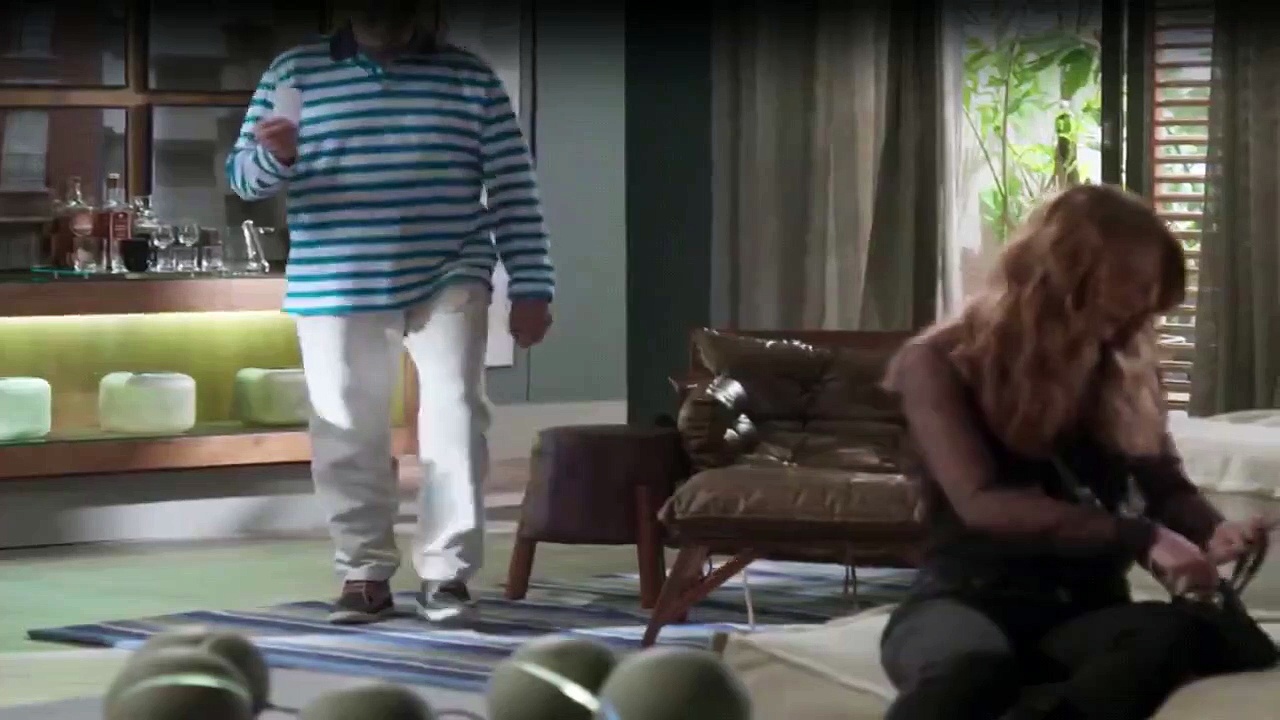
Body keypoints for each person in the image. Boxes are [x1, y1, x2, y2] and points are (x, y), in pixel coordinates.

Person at [879, 184, 1270, 720]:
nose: (1132, 327)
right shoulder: (940, 361)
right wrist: (1142, 537)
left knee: (1176, 634)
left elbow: (1165, 487)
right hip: (967, 600)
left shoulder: (1125, 364)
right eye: (1121, 304)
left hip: (1084, 612)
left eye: (1145, 308)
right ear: (1060, 280)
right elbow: (983, 502)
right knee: (973, 672)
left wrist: (1214, 531)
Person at [225, 0, 555, 625]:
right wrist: (278, 156)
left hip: (449, 269)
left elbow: (513, 185)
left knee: (456, 416)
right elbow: (243, 179)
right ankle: (364, 572)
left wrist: (532, 284)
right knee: (346, 427)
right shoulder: (294, 71)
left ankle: (447, 574)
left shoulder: (469, 76)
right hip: (335, 277)